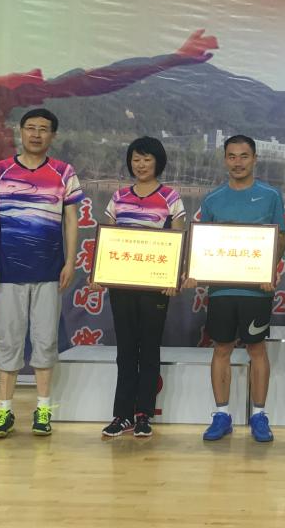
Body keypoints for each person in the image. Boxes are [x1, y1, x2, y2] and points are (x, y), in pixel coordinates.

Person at [0, 108, 84, 439]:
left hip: (49, 271)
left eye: (43, 129)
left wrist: (70, 262)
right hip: (7, 270)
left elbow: (71, 219)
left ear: (53, 135)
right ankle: (5, 410)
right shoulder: (0, 170)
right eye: (31, 128)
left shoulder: (63, 172)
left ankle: (43, 409)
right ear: (20, 131)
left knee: (45, 340)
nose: (36, 134)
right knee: (8, 340)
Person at [184, 135, 285, 443]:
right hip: (221, 290)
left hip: (257, 290)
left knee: (257, 349)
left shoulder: (271, 196)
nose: (238, 162)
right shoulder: (213, 199)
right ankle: (221, 415)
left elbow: (281, 238)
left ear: (255, 159)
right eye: (232, 156)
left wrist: (270, 269)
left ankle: (259, 415)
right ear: (225, 160)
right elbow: (203, 243)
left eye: (244, 156)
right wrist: (194, 271)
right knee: (221, 349)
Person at [96, 137, 186, 439]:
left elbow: (178, 240)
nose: (141, 165)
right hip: (122, 285)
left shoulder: (171, 197)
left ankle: (144, 414)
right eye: (136, 159)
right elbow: (107, 238)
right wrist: (100, 271)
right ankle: (122, 415)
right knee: (125, 351)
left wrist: (172, 278)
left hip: (155, 287)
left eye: (147, 159)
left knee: (149, 349)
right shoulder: (119, 196)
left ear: (158, 162)